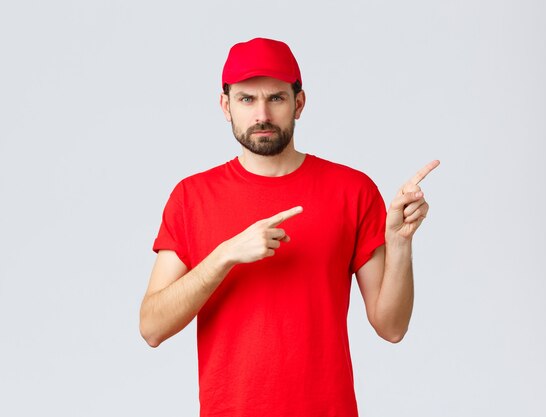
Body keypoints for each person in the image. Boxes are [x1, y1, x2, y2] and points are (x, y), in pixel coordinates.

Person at [139, 37, 439, 417]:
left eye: (276, 98)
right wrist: (225, 255)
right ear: (225, 105)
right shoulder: (191, 197)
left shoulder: (352, 191)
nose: (261, 113)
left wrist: (398, 243)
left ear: (299, 103)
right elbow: (152, 328)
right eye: (246, 99)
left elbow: (391, 327)